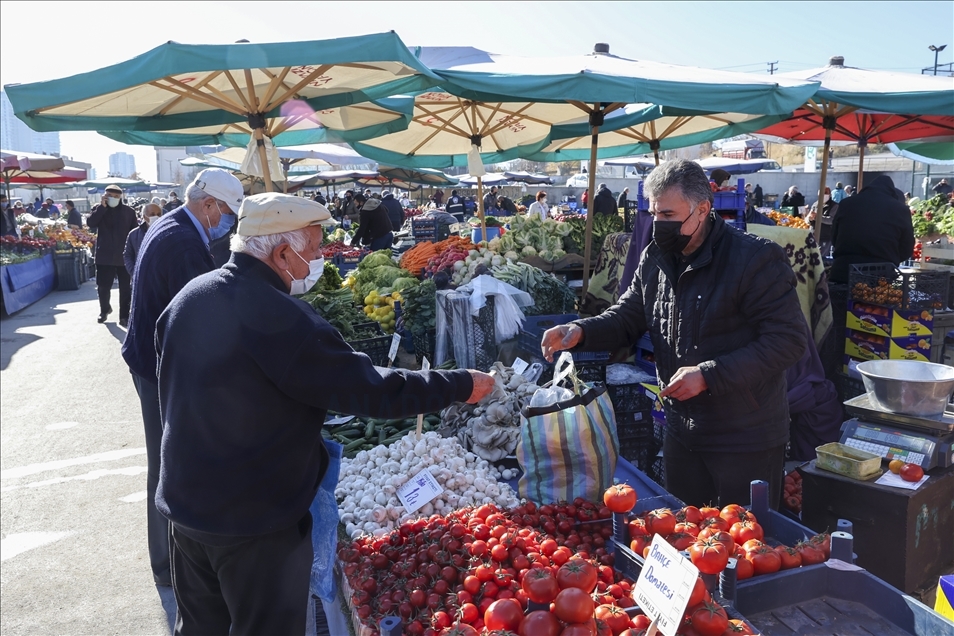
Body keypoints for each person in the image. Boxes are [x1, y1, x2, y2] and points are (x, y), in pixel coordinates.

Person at [154, 193, 494, 634]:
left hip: (186, 507)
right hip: (255, 521)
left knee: (201, 629)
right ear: (282, 253)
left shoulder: (190, 297)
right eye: (313, 250)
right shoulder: (282, 318)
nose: (316, 259)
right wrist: (461, 385)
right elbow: (372, 390)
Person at [541, 159, 806, 509]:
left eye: (667, 215)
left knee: (745, 545)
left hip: (745, 435)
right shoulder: (655, 256)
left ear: (703, 210)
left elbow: (788, 341)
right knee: (685, 532)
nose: (657, 225)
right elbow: (627, 316)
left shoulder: (756, 259)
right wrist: (578, 331)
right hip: (682, 427)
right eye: (653, 214)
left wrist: (709, 375)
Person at [121, 168, 243, 588]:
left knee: (164, 460)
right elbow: (199, 315)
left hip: (147, 358)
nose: (227, 224)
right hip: (155, 367)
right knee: (167, 463)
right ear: (209, 205)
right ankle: (168, 565)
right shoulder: (183, 243)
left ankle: (167, 561)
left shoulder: (170, 224)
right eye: (227, 214)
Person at [829, 175, 915, 284]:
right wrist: (890, 258)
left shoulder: (846, 203)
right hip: (880, 276)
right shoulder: (901, 209)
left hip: (843, 270)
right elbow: (906, 247)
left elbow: (834, 236)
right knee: (872, 301)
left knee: (839, 300)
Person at [87, 185, 138, 326]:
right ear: (104, 196)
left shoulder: (129, 212)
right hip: (104, 255)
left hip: (124, 256)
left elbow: (134, 233)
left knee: (125, 288)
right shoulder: (98, 209)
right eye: (110, 196)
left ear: (121, 197)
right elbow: (91, 223)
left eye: (116, 197)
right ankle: (104, 310)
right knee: (103, 286)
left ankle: (124, 316)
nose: (113, 199)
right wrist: (101, 208)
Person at [123, 203, 162, 276]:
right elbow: (127, 255)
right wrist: (135, 272)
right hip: (141, 277)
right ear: (144, 216)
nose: (156, 217)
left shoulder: (167, 233)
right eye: (152, 214)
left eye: (159, 214)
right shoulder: (134, 234)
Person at [807, 186, 840, 256]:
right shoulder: (815, 204)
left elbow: (831, 220)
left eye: (825, 193)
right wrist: (810, 219)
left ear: (829, 194)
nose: (823, 196)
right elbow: (808, 218)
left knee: (821, 257)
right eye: (820, 194)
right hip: (813, 235)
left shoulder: (834, 206)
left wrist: (817, 217)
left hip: (825, 236)